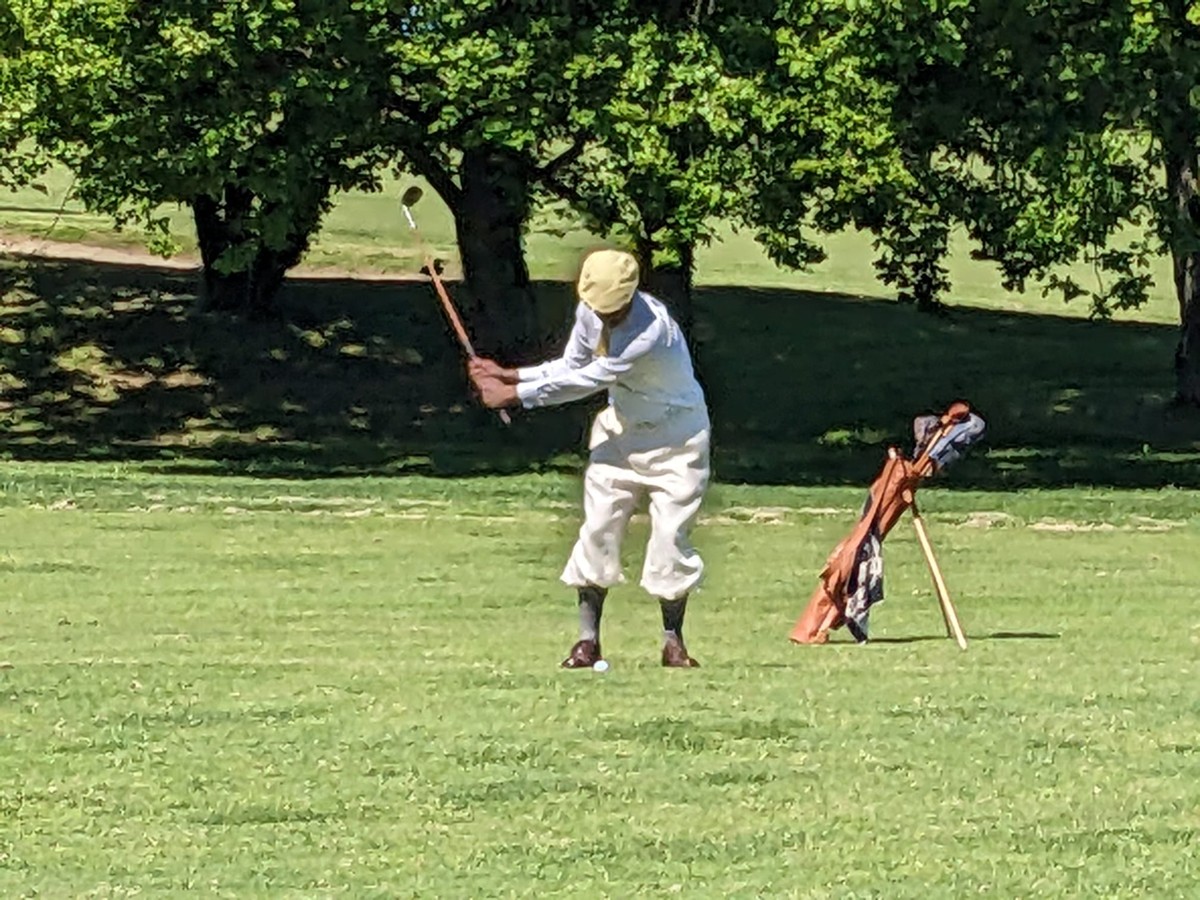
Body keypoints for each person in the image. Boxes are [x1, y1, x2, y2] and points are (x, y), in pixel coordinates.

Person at [468, 249, 711, 669]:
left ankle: (673, 642)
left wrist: (514, 396)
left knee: (670, 538)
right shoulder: (591, 311)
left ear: (630, 296)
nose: (604, 317)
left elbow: (590, 380)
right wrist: (513, 375)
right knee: (598, 527)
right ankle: (587, 641)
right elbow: (572, 365)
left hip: (678, 437)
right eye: (599, 309)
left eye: (613, 310)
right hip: (621, 431)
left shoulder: (650, 330)